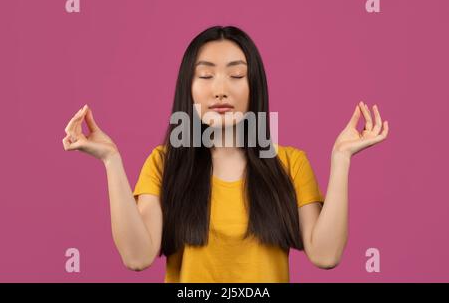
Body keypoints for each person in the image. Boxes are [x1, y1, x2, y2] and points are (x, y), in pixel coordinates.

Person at [62, 25, 389, 282]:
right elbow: (137, 258)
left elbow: (326, 255)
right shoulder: (164, 163)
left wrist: (341, 160)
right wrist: (111, 161)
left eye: (236, 75)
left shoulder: (290, 163)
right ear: (187, 90)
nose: (221, 89)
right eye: (205, 75)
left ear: (254, 88)